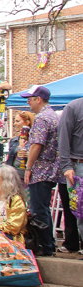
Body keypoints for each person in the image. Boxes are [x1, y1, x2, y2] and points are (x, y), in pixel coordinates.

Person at [21, 85, 60, 256]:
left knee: (38, 209)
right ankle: (48, 244)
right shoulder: (53, 115)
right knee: (43, 208)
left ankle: (46, 246)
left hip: (41, 169)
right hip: (52, 168)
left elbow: (37, 144)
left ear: (39, 99)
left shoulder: (42, 118)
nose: (28, 102)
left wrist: (28, 167)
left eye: (30, 98)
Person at [58, 95, 83, 255]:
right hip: (78, 165)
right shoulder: (73, 107)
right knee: (80, 208)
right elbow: (63, 138)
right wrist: (66, 165)